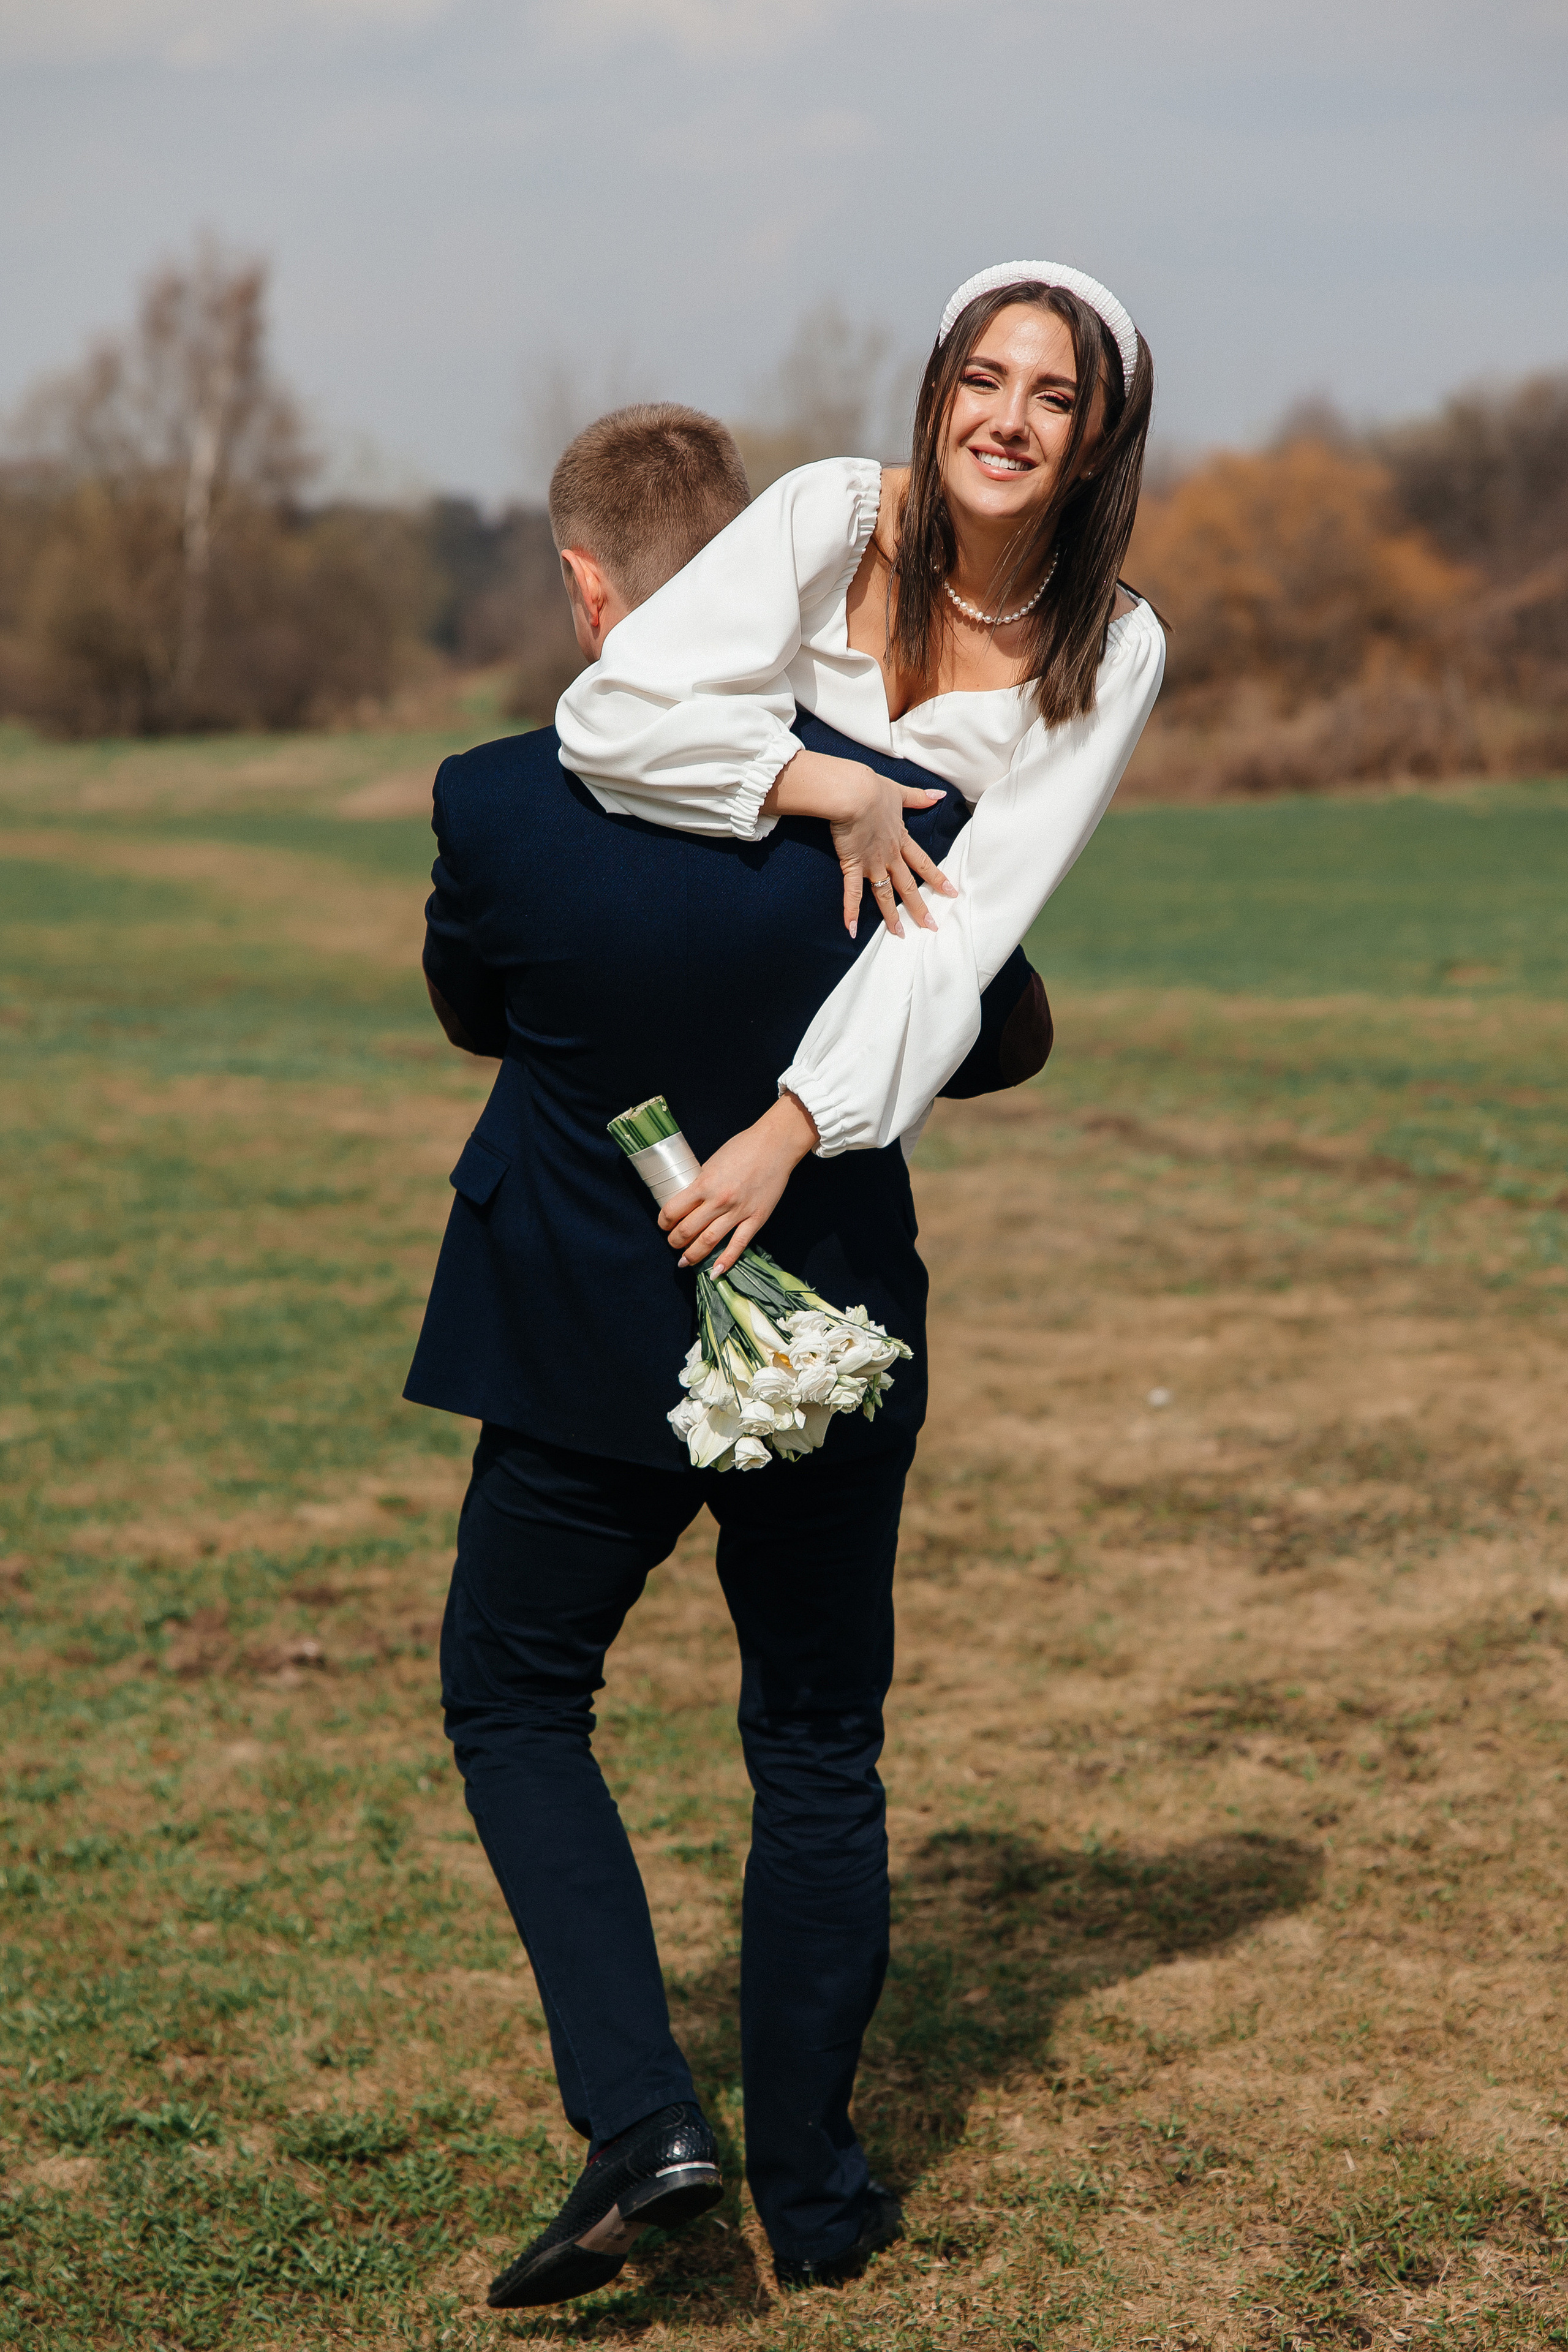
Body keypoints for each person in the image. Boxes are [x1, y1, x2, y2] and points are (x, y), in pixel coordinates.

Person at [405, 403, 1053, 2308]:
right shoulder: (890, 794)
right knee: (817, 1744)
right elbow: (1005, 1031)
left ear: (589, 590)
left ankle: (642, 2122)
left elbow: (473, 1006)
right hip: (833, 1331)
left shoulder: (496, 801)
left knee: (517, 1700)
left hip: (577, 1337)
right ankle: (822, 2199)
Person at [555, 260, 1164, 1284]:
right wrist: (828, 784)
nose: (1008, 421)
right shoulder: (828, 513)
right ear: (938, 395)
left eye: (1055, 400)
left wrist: (791, 1132)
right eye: (982, 381)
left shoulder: (1115, 648)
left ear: (1099, 444)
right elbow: (611, 714)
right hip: (687, 1002)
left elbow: (973, 916)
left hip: (861, 1067)